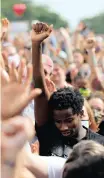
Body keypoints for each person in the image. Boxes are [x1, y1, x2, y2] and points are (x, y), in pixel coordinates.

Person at [31, 22, 104, 158]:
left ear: (81, 114)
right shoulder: (49, 134)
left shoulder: (99, 145)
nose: (63, 127)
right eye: (58, 121)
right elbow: (39, 86)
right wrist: (36, 45)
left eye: (69, 120)